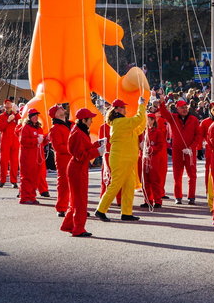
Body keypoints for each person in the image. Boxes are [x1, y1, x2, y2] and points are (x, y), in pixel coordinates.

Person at [94, 97, 147, 222]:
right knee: (115, 185)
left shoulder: (123, 123)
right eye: (122, 107)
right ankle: (100, 210)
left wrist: (143, 111)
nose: (125, 109)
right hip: (121, 159)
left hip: (126, 159)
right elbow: (137, 120)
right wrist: (141, 106)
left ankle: (126, 213)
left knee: (129, 186)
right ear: (116, 109)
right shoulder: (120, 122)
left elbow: (139, 127)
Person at [61, 108, 104, 237]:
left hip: (77, 167)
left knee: (75, 200)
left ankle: (69, 225)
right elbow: (81, 155)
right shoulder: (79, 133)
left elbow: (84, 149)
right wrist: (97, 152)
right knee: (80, 200)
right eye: (90, 119)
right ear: (84, 120)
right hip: (78, 168)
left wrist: (97, 145)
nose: (92, 121)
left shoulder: (79, 131)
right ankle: (78, 228)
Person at [158, 99, 202, 205]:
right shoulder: (173, 118)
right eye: (182, 107)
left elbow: (198, 135)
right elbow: (163, 112)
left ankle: (191, 197)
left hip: (190, 151)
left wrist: (191, 147)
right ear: (177, 108)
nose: (184, 109)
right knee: (177, 174)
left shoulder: (194, 119)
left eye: (186, 107)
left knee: (192, 175)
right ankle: (178, 197)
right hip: (177, 151)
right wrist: (162, 102)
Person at [19, 109, 49, 205]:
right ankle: (25, 197)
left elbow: (41, 142)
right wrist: (36, 140)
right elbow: (23, 141)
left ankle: (31, 196)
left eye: (36, 115)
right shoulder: (26, 128)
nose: (36, 117)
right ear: (30, 117)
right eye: (34, 115)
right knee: (27, 177)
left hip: (36, 157)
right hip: (27, 157)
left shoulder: (38, 128)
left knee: (34, 177)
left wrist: (46, 139)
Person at [48, 105, 73, 217]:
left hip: (72, 157)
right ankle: (61, 207)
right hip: (63, 158)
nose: (63, 109)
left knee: (74, 184)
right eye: (60, 108)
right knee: (63, 184)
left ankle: (74, 207)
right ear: (56, 114)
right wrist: (72, 149)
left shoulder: (70, 124)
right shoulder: (55, 128)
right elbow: (58, 147)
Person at [139, 114, 166, 209]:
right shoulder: (143, 132)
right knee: (145, 180)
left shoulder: (158, 132)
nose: (146, 121)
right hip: (144, 158)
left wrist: (151, 149)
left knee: (154, 180)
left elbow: (160, 145)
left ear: (153, 120)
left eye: (148, 119)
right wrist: (140, 146)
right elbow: (139, 143)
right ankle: (147, 200)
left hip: (154, 158)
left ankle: (157, 200)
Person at [0, 100, 20, 188]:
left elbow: (21, 124)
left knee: (14, 162)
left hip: (15, 140)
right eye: (7, 104)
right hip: (5, 141)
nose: (8, 105)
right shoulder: (1, 117)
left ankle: (14, 181)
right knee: (3, 161)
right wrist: (8, 121)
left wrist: (16, 114)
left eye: (10, 103)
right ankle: (2, 180)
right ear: (4, 105)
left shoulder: (16, 115)